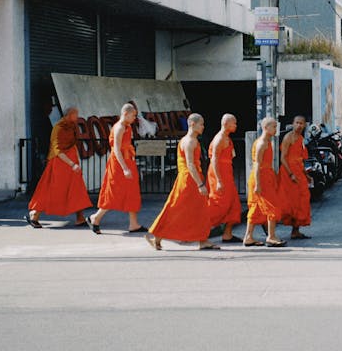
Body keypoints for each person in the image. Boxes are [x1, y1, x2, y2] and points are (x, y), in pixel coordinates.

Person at [144, 113, 218, 250]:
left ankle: (202, 239)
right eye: (201, 124)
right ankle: (157, 235)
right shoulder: (190, 141)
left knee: (191, 209)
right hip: (190, 180)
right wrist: (200, 184)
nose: (203, 127)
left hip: (187, 179)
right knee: (178, 209)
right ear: (192, 124)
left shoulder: (187, 140)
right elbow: (190, 164)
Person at [26, 107, 92, 228]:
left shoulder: (72, 126)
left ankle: (80, 217)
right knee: (51, 190)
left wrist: (75, 161)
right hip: (59, 164)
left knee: (76, 189)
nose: (77, 116)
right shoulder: (58, 128)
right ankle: (34, 214)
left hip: (71, 163)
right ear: (69, 115)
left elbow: (73, 144)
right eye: (75, 114)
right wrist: (71, 163)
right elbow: (57, 150)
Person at [87, 104, 146, 234]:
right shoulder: (119, 127)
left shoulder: (127, 127)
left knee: (132, 192)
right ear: (125, 114)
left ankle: (133, 224)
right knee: (114, 193)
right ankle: (95, 217)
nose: (134, 118)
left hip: (127, 161)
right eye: (133, 115)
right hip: (120, 164)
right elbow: (116, 151)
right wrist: (125, 168)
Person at [243, 117, 287, 248]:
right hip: (261, 177)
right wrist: (258, 184)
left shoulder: (267, 142)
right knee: (271, 206)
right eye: (273, 126)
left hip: (266, 176)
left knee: (256, 207)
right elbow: (256, 164)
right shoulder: (262, 143)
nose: (276, 129)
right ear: (266, 128)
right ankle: (271, 236)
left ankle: (248, 237)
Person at [207, 114, 243, 243]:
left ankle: (227, 234)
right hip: (219, 174)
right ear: (226, 124)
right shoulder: (220, 139)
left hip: (226, 173)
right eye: (234, 123)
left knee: (233, 204)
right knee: (219, 204)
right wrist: (219, 181)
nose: (236, 126)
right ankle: (199, 228)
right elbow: (214, 160)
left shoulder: (226, 138)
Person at [279, 115, 312, 240]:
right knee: (290, 201)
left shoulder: (301, 138)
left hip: (299, 171)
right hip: (289, 172)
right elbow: (283, 158)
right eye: (297, 123)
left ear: (304, 125)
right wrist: (291, 174)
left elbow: (300, 160)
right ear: (293, 124)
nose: (299, 125)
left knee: (302, 199)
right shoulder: (288, 137)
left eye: (301, 123)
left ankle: (296, 230)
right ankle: (270, 225)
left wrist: (306, 174)